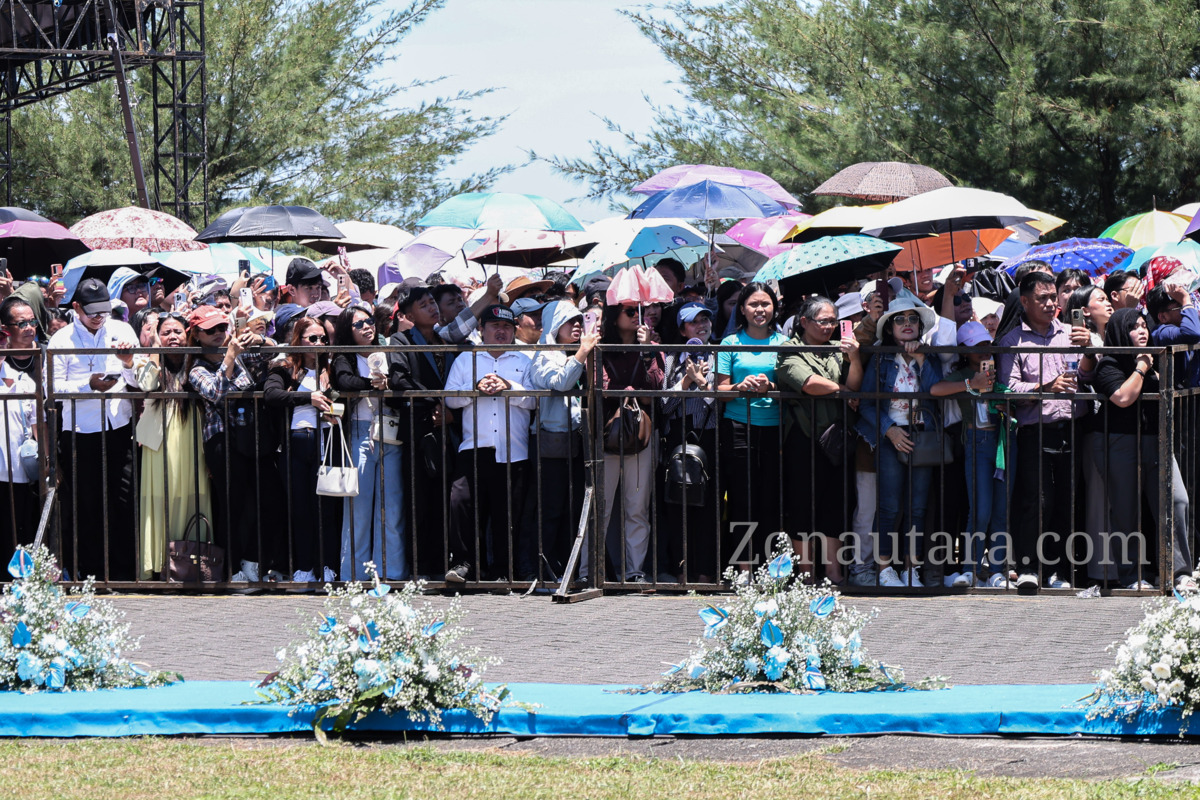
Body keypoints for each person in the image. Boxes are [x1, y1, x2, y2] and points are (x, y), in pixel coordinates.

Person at [1092, 308, 1194, 591]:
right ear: (1121, 333)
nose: (1142, 331)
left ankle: (1179, 572)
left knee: (1177, 501)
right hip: (1119, 441)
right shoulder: (1109, 363)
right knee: (1126, 510)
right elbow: (1123, 397)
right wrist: (1141, 368)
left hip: (1156, 440)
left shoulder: (1156, 359)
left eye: (1143, 325)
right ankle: (1132, 575)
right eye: (1134, 327)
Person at [996, 271, 1085, 591]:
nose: (1050, 304)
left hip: (1072, 426)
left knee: (1066, 501)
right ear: (1024, 301)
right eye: (1042, 298)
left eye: (1052, 297)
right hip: (1035, 430)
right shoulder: (1012, 341)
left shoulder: (1070, 333)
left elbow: (1087, 376)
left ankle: (1058, 570)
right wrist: (1046, 387)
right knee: (1037, 501)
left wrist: (1089, 350)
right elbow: (1009, 389)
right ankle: (1029, 566)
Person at [48, 278, 142, 581]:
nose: (99, 317)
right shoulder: (61, 339)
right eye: (92, 313)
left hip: (119, 426)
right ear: (76, 308)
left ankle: (125, 573)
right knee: (87, 505)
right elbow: (53, 389)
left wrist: (128, 362)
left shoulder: (122, 330)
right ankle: (92, 574)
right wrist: (87, 385)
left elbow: (139, 381)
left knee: (123, 501)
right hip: (79, 432)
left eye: (103, 311)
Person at [443, 305, 537, 582]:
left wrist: (509, 386)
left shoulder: (525, 359)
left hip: (514, 450)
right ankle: (463, 564)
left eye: (507, 327)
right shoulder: (466, 360)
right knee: (461, 504)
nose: (501, 331)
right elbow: (449, 399)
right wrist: (475, 388)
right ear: (481, 330)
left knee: (506, 515)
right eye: (494, 325)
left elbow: (534, 400)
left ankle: (503, 572)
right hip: (474, 446)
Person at [187, 304, 280, 583]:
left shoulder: (239, 354)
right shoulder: (197, 368)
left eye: (222, 327)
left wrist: (260, 340)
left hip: (252, 435)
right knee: (232, 506)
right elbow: (215, 392)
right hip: (222, 440)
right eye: (210, 330)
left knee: (271, 498)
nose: (218, 333)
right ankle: (231, 569)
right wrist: (229, 357)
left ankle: (252, 559)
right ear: (197, 335)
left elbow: (277, 353)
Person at [855, 297, 944, 588]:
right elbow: (867, 404)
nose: (907, 324)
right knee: (890, 506)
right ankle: (885, 568)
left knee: (917, 507)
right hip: (892, 437)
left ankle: (910, 569)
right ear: (890, 327)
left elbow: (935, 391)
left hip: (922, 435)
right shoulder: (880, 357)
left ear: (920, 325)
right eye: (899, 319)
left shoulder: (929, 355)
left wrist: (920, 360)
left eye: (912, 319)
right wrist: (889, 431)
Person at [777, 296, 863, 584]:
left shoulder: (839, 350)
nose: (829, 327)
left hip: (838, 437)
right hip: (803, 435)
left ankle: (833, 572)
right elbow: (807, 382)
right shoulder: (789, 349)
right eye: (823, 321)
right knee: (802, 503)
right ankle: (805, 573)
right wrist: (840, 389)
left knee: (835, 503)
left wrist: (855, 359)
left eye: (832, 321)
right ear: (804, 322)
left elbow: (855, 385)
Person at [386, 285, 459, 579]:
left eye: (432, 302)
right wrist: (436, 401)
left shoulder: (446, 340)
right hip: (419, 434)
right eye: (423, 304)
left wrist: (451, 410)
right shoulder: (399, 341)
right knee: (420, 503)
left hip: (451, 431)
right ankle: (421, 569)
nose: (432, 307)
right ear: (407, 314)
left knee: (448, 501)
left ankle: (445, 564)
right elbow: (400, 382)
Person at [330, 306, 407, 581]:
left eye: (370, 321)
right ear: (346, 330)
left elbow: (401, 381)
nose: (367, 326)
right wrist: (371, 383)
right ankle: (355, 575)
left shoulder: (387, 353)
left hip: (389, 429)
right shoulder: (344, 356)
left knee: (392, 506)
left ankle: (392, 573)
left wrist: (388, 383)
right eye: (359, 323)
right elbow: (343, 381)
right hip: (360, 432)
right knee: (358, 510)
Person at [716, 281, 787, 576]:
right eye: (753, 304)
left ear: (774, 308)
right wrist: (740, 386)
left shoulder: (784, 343)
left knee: (771, 499)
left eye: (765, 304)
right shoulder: (729, 344)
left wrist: (770, 386)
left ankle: (772, 571)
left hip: (775, 428)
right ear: (742, 310)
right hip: (738, 426)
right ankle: (744, 571)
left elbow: (791, 383)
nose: (760, 309)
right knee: (742, 499)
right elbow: (720, 390)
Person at [135, 311, 213, 580]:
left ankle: (191, 565)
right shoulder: (150, 361)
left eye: (177, 332)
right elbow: (146, 384)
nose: (172, 337)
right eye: (166, 332)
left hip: (192, 437)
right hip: (158, 443)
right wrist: (155, 347)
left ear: (187, 334)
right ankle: (159, 566)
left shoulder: (198, 361)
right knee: (161, 500)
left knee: (192, 498)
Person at [264, 318, 340, 584]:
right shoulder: (285, 367)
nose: (319, 343)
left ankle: (328, 565)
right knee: (300, 508)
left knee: (325, 507)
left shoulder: (331, 368)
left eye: (323, 338)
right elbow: (271, 394)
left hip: (325, 441)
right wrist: (307, 397)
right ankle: (305, 566)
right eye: (312, 338)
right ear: (299, 340)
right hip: (295, 441)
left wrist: (331, 405)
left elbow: (344, 400)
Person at [930, 321, 1005, 587]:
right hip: (976, 439)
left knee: (1001, 510)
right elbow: (935, 390)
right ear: (964, 351)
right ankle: (970, 569)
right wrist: (970, 383)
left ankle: (997, 571)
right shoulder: (961, 374)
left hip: (1003, 439)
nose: (984, 352)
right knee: (980, 509)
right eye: (976, 347)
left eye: (987, 345)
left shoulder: (1001, 367)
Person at [527, 300, 597, 581]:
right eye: (570, 321)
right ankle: (545, 570)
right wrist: (581, 354)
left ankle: (570, 569)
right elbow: (560, 382)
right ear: (555, 325)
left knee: (572, 508)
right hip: (551, 443)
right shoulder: (545, 354)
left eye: (580, 320)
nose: (577, 325)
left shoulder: (578, 352)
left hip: (576, 442)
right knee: (552, 509)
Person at [599, 302, 664, 583]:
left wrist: (648, 349)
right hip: (606, 434)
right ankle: (592, 570)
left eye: (640, 312)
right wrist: (630, 392)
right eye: (630, 312)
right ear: (614, 318)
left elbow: (655, 389)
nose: (638, 317)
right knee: (601, 506)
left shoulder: (653, 349)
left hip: (641, 436)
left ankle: (635, 571)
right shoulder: (599, 348)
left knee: (637, 507)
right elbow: (601, 389)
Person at [660, 302, 720, 583]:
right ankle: (681, 570)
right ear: (683, 329)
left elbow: (718, 403)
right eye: (694, 322)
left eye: (705, 319)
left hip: (708, 435)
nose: (701, 326)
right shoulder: (671, 358)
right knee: (677, 503)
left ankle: (706, 572)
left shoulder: (720, 355)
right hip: (677, 437)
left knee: (708, 505)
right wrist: (686, 382)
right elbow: (663, 406)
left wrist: (703, 382)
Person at [0, 328, 38, 549]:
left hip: (16, 474)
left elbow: (37, 424)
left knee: (15, 536)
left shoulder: (23, 381)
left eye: (2, 339)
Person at [0, 295, 42, 378]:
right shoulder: (2, 356)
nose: (29, 328)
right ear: (6, 329)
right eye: (22, 323)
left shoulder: (46, 352)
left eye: (32, 322)